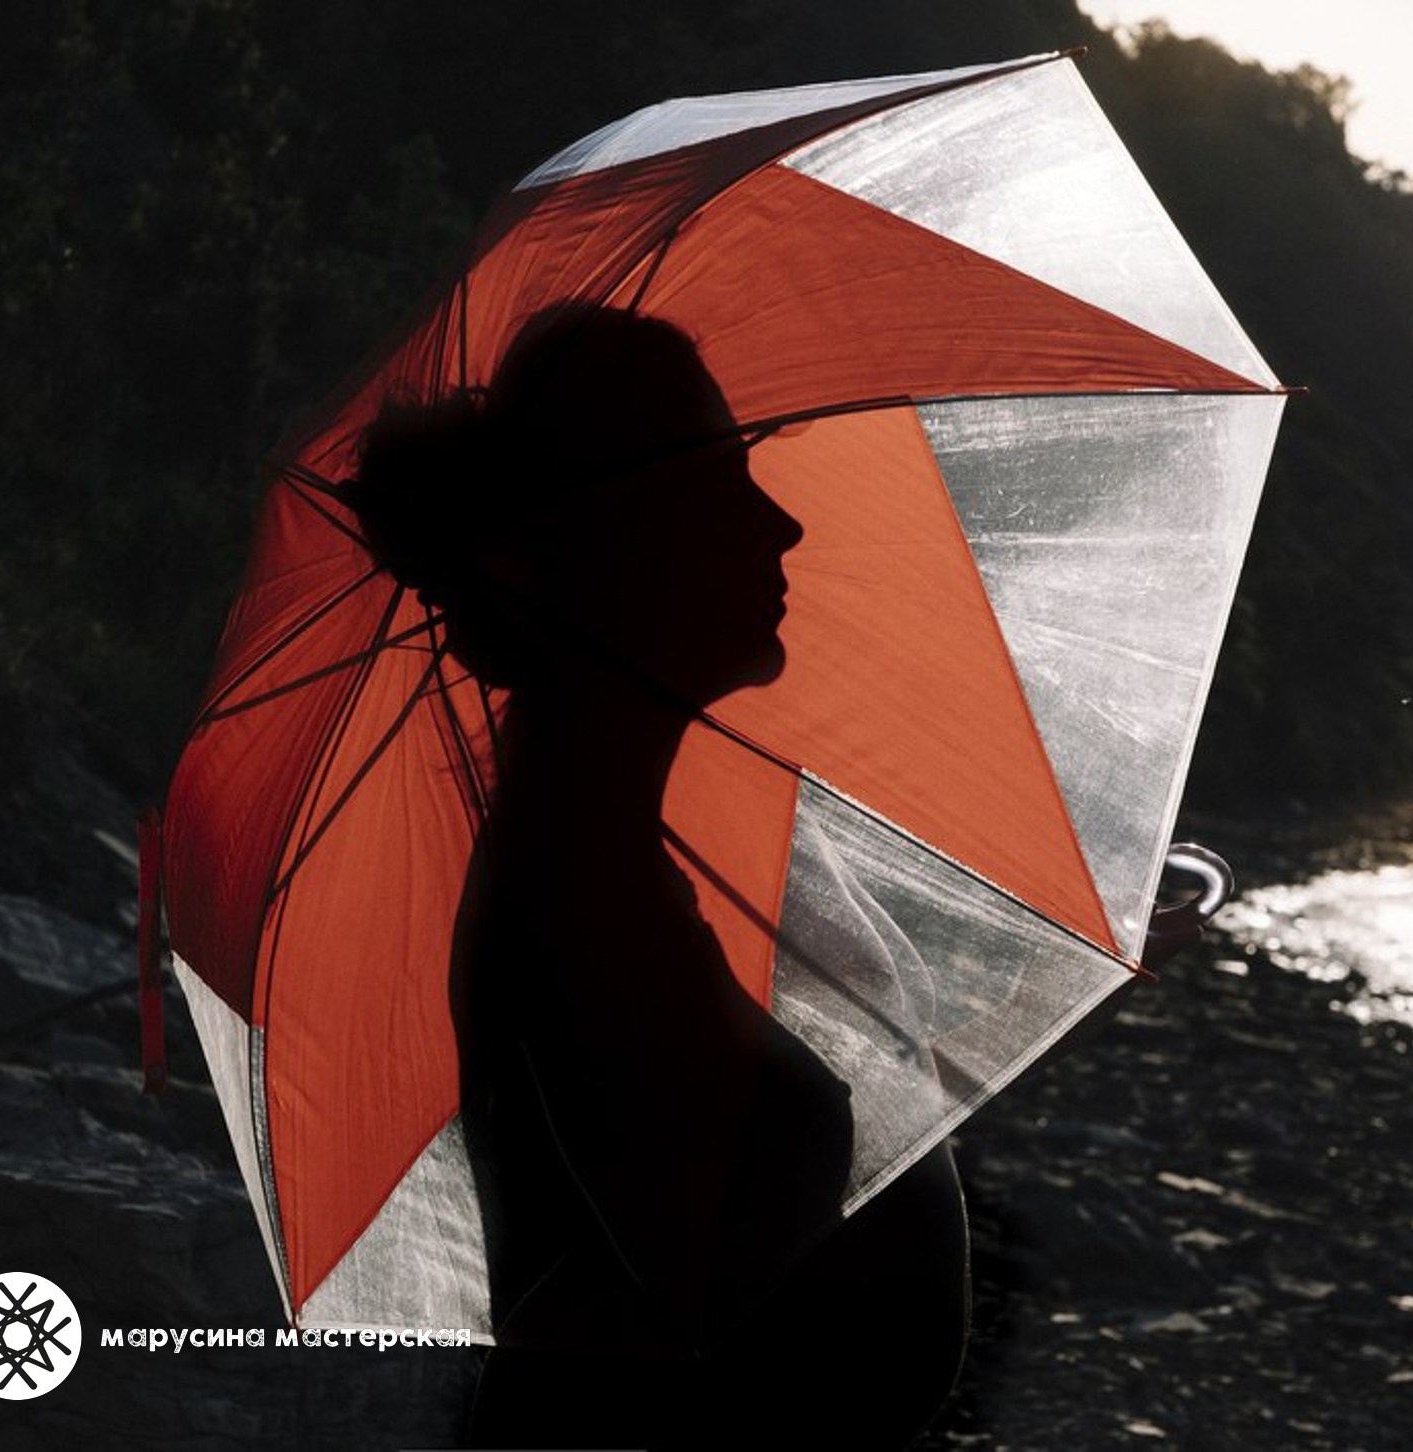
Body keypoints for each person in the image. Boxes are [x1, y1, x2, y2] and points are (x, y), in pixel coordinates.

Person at [348, 307, 968, 1448]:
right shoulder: (578, 901)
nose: (781, 525)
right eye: (723, 480)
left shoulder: (603, 861)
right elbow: (675, 1348)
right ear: (605, 553)